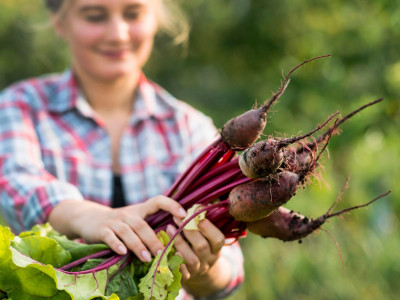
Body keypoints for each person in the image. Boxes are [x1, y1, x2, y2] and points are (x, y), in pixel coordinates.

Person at [0, 0, 244, 299]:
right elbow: (17, 181)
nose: (118, 34)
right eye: (94, 16)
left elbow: (229, 273)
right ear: (60, 22)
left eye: (133, 14)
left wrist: (205, 271)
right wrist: (89, 217)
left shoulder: (189, 127)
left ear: (156, 18)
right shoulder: (20, 106)